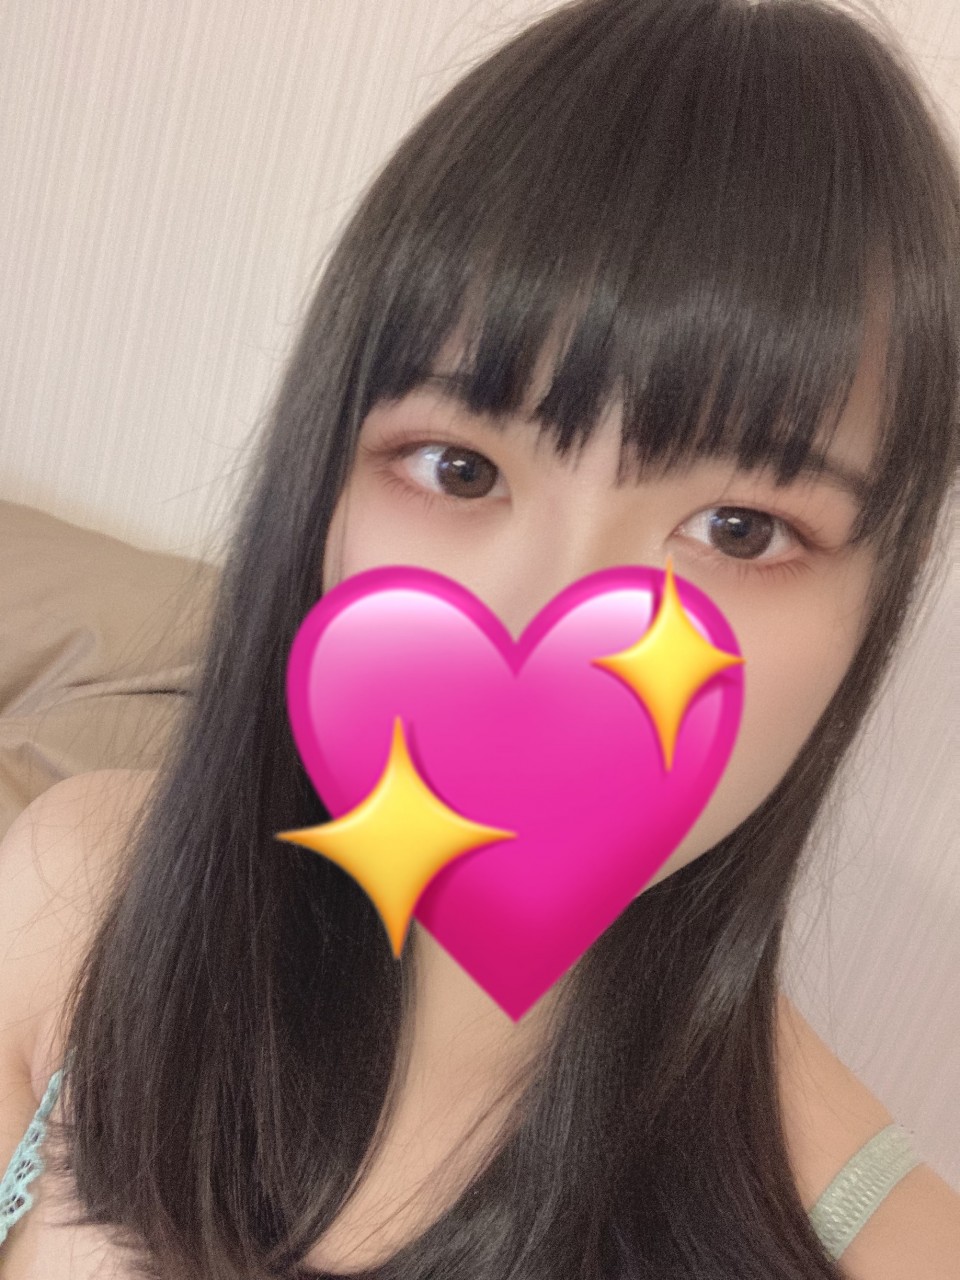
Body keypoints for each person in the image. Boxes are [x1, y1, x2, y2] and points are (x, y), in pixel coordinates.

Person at [1, 0, 959, 1276]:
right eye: (458, 466)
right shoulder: (78, 895)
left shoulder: (891, 1248)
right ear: (324, 485)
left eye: (738, 529)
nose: (549, 624)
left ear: (877, 602)